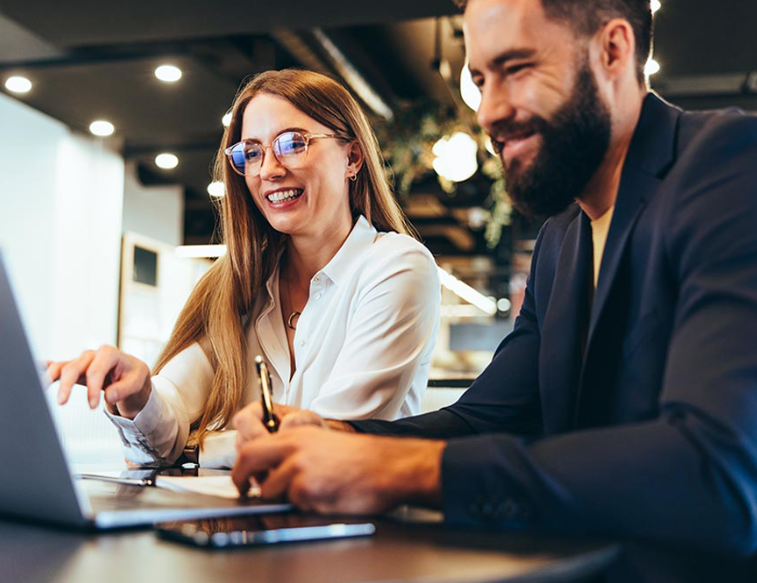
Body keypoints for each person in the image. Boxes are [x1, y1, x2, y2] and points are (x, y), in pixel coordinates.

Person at [231, 0, 757, 578]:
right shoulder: (561, 238)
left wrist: (400, 471)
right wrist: (336, 434)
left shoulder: (730, 168)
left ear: (613, 50)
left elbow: (716, 474)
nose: (489, 111)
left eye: (517, 68)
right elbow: (485, 418)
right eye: (481, 79)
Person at [48, 69, 440, 468]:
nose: (268, 168)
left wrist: (195, 449)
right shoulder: (240, 284)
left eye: (293, 143)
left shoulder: (397, 267)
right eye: (251, 152)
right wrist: (138, 394)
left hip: (361, 526)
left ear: (352, 157)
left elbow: (327, 440)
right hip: (246, 526)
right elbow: (166, 421)